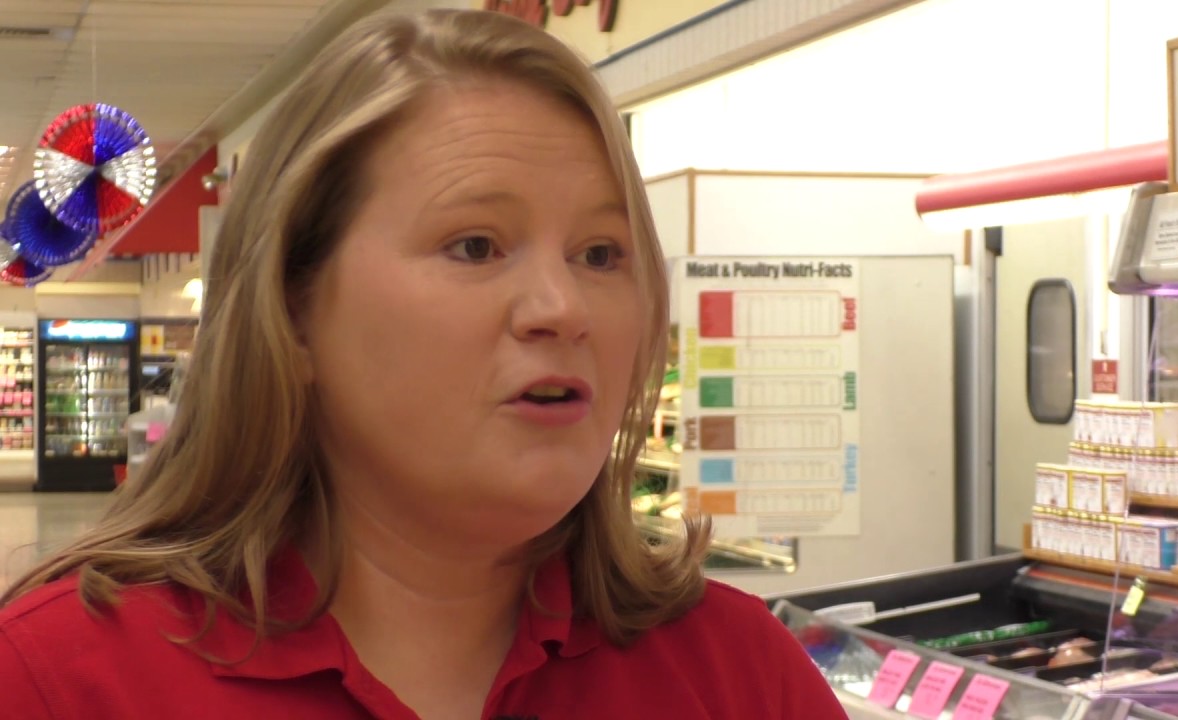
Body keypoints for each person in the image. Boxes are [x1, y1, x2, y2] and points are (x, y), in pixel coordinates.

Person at [0, 9, 846, 719]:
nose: (564, 308)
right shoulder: (61, 681)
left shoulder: (740, 676)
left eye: (600, 254)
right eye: (476, 245)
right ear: (292, 311)